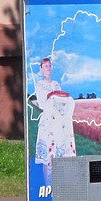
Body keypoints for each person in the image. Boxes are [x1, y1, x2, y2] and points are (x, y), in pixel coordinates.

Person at [31, 57, 76, 186]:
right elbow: (43, 102)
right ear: (41, 69)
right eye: (45, 66)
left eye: (49, 66)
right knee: (48, 155)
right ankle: (48, 185)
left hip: (59, 121)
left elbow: (62, 100)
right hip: (48, 122)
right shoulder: (39, 84)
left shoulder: (56, 84)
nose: (48, 68)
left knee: (59, 152)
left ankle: (60, 184)